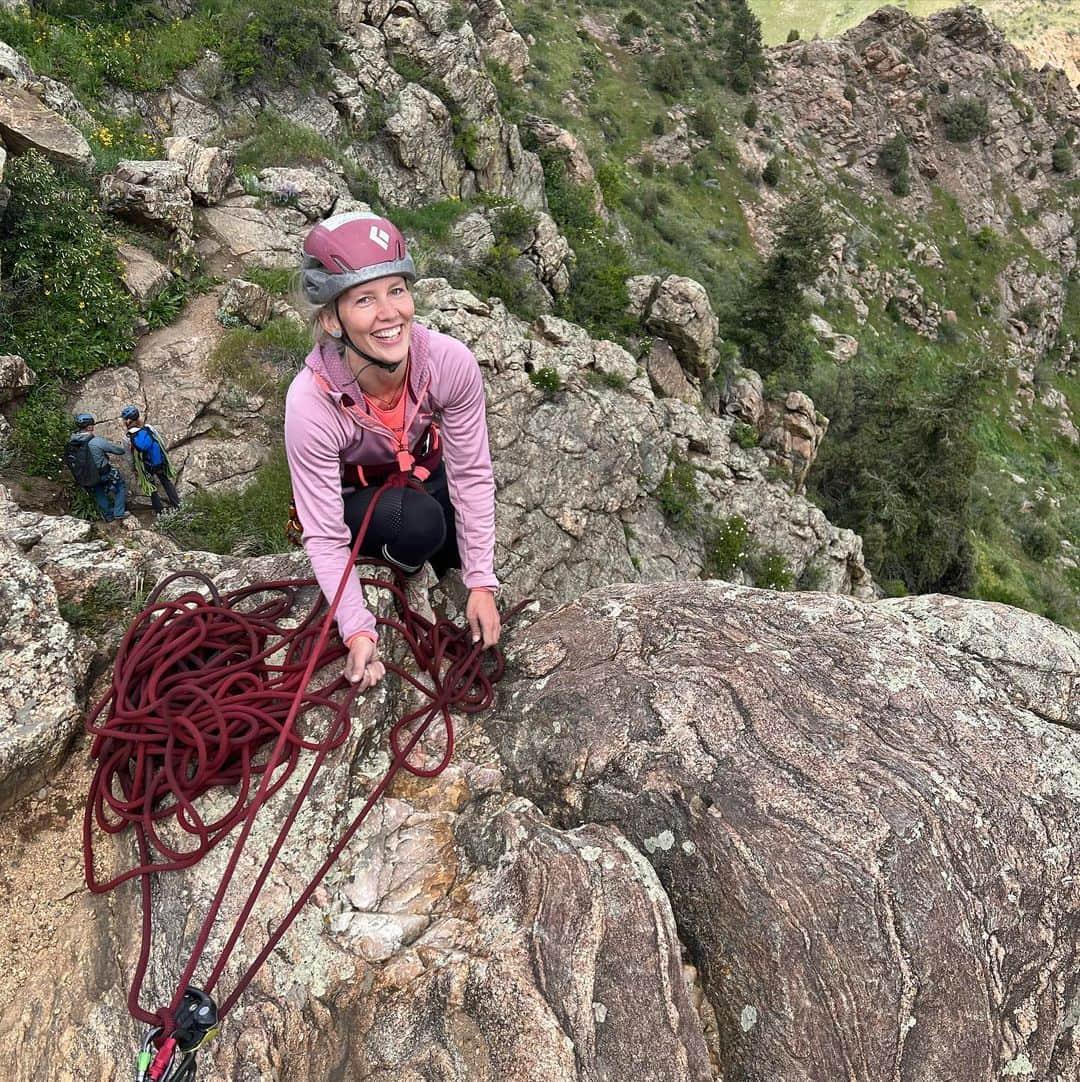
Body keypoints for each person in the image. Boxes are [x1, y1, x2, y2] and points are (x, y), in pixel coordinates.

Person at [285, 211, 501, 692]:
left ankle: (446, 581)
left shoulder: (448, 362)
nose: (390, 314)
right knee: (419, 526)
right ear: (331, 320)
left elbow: (471, 475)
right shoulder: (311, 402)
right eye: (365, 299)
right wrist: (357, 628)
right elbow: (322, 534)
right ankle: (400, 567)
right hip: (360, 500)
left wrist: (481, 582)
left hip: (423, 471)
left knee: (452, 540)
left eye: (397, 291)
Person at [65, 412, 128, 522]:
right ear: (89, 427)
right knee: (120, 486)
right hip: (104, 473)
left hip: (88, 475)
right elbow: (119, 450)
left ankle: (108, 516)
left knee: (99, 493)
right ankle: (118, 513)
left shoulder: (72, 441)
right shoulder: (96, 442)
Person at [121, 405, 181, 513]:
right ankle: (178, 505)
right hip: (157, 461)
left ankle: (159, 513)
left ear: (128, 421)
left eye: (124, 419)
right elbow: (160, 443)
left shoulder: (127, 438)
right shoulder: (149, 428)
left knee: (152, 488)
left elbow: (129, 457)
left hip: (144, 466)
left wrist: (134, 468)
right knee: (166, 482)